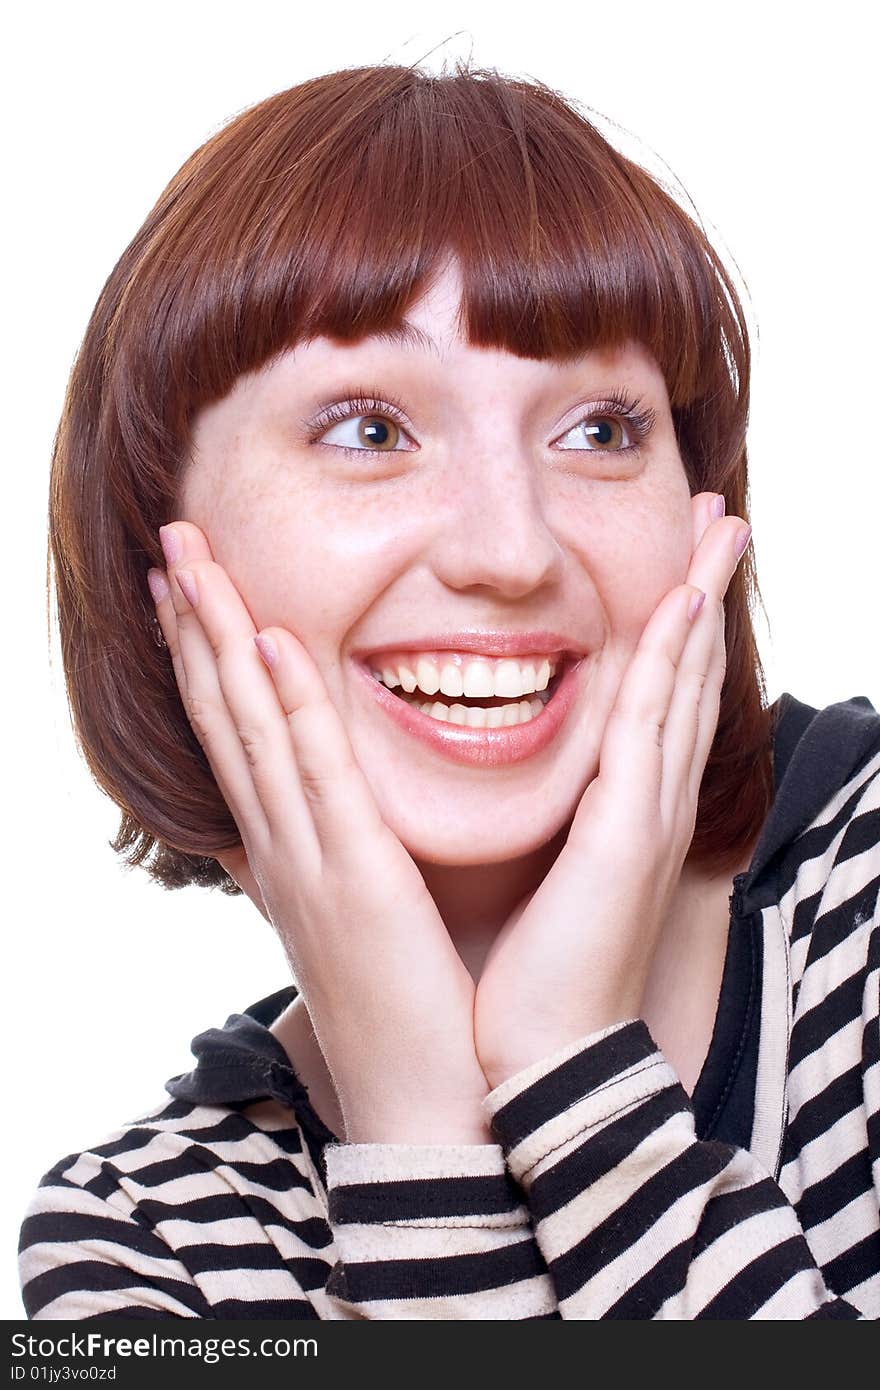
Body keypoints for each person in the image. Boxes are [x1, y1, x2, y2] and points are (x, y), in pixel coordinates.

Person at [19, 60, 879, 1321]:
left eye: (599, 428)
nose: (510, 550)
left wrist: (569, 1069)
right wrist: (419, 1127)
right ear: (161, 553)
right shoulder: (145, 1245)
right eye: (368, 429)